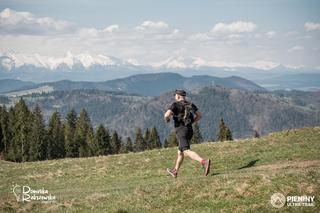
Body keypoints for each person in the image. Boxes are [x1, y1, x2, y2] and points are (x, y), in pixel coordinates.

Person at [164, 89, 210, 178]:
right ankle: (175, 171)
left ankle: (204, 162)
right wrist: (191, 122)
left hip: (181, 131)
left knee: (186, 151)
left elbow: (166, 115)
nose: (175, 97)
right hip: (189, 130)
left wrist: (167, 119)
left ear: (177, 96)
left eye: (175, 95)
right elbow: (199, 115)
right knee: (180, 152)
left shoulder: (175, 104)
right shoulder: (190, 104)